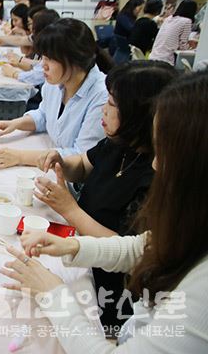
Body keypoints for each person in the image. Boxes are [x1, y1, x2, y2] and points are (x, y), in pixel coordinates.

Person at [1, 72, 208, 352]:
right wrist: (72, 246)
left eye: (166, 153)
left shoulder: (201, 293)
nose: (157, 165)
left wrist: (54, 294)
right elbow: (143, 247)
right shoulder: (118, 147)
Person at [34, 61, 178, 330]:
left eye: (112, 104)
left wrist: (70, 209)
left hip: (108, 289)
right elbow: (84, 166)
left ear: (139, 113)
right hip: (78, 251)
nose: (103, 108)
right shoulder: (118, 144)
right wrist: (62, 163)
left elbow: (127, 249)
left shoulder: (154, 176)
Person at [0, 19, 113, 169]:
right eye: (43, 57)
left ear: (75, 61)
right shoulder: (57, 81)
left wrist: (19, 156)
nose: (42, 65)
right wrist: (16, 124)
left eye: (50, 59)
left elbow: (82, 156)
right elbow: (44, 115)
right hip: (50, 161)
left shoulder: (101, 96)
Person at [1, 9, 59, 86]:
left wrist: (14, 73)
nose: (30, 28)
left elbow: (38, 75)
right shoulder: (48, 43)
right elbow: (39, 65)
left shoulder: (53, 48)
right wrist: (20, 62)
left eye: (31, 24)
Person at [150, 0, 198, 65]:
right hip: (166, 59)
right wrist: (191, 47)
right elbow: (182, 46)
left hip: (154, 55)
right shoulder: (187, 21)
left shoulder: (169, 18)